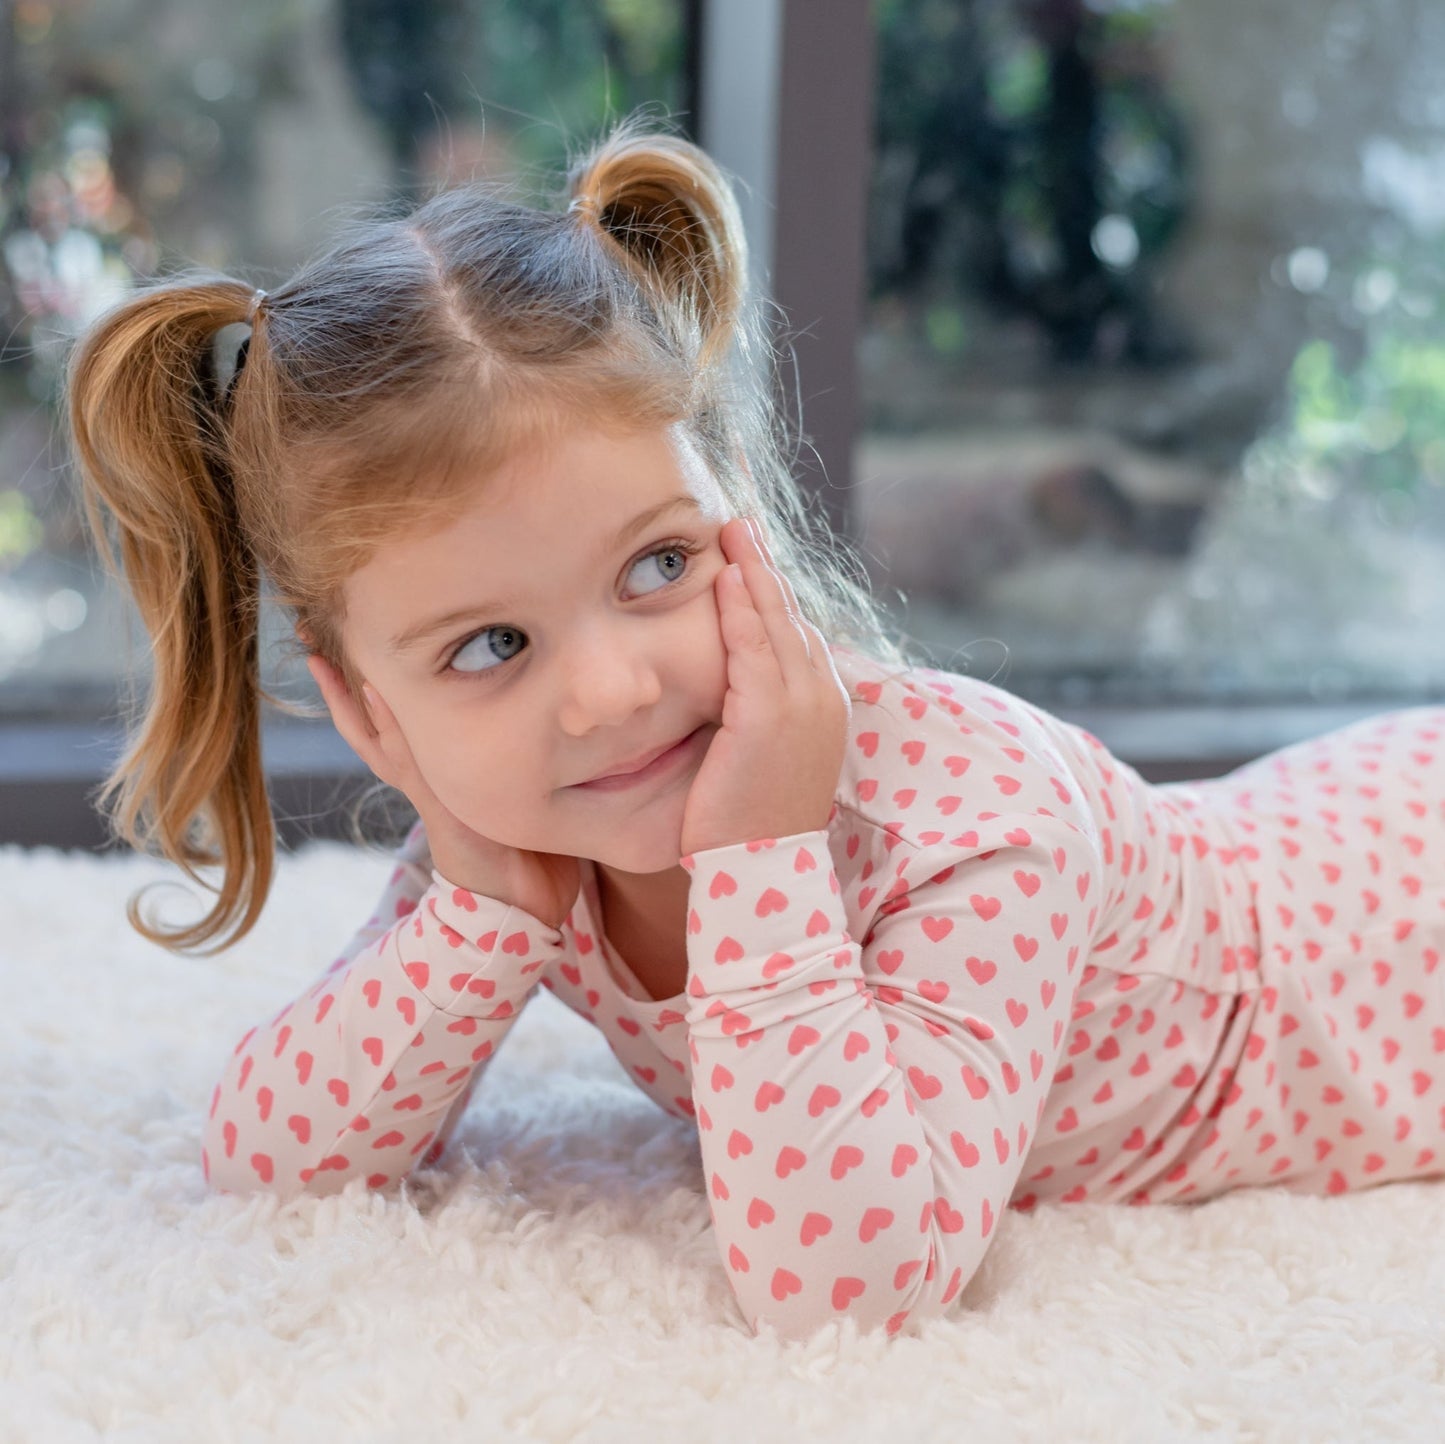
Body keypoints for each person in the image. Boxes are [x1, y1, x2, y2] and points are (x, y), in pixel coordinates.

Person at [64, 116, 1445, 1344]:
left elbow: (849, 1286)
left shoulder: (973, 817)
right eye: (491, 647)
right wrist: (476, 918)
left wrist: (759, 860)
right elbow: (271, 1158)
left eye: (657, 567)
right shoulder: (520, 842)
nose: (610, 693)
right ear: (368, 705)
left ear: (737, 511)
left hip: (1394, 932)